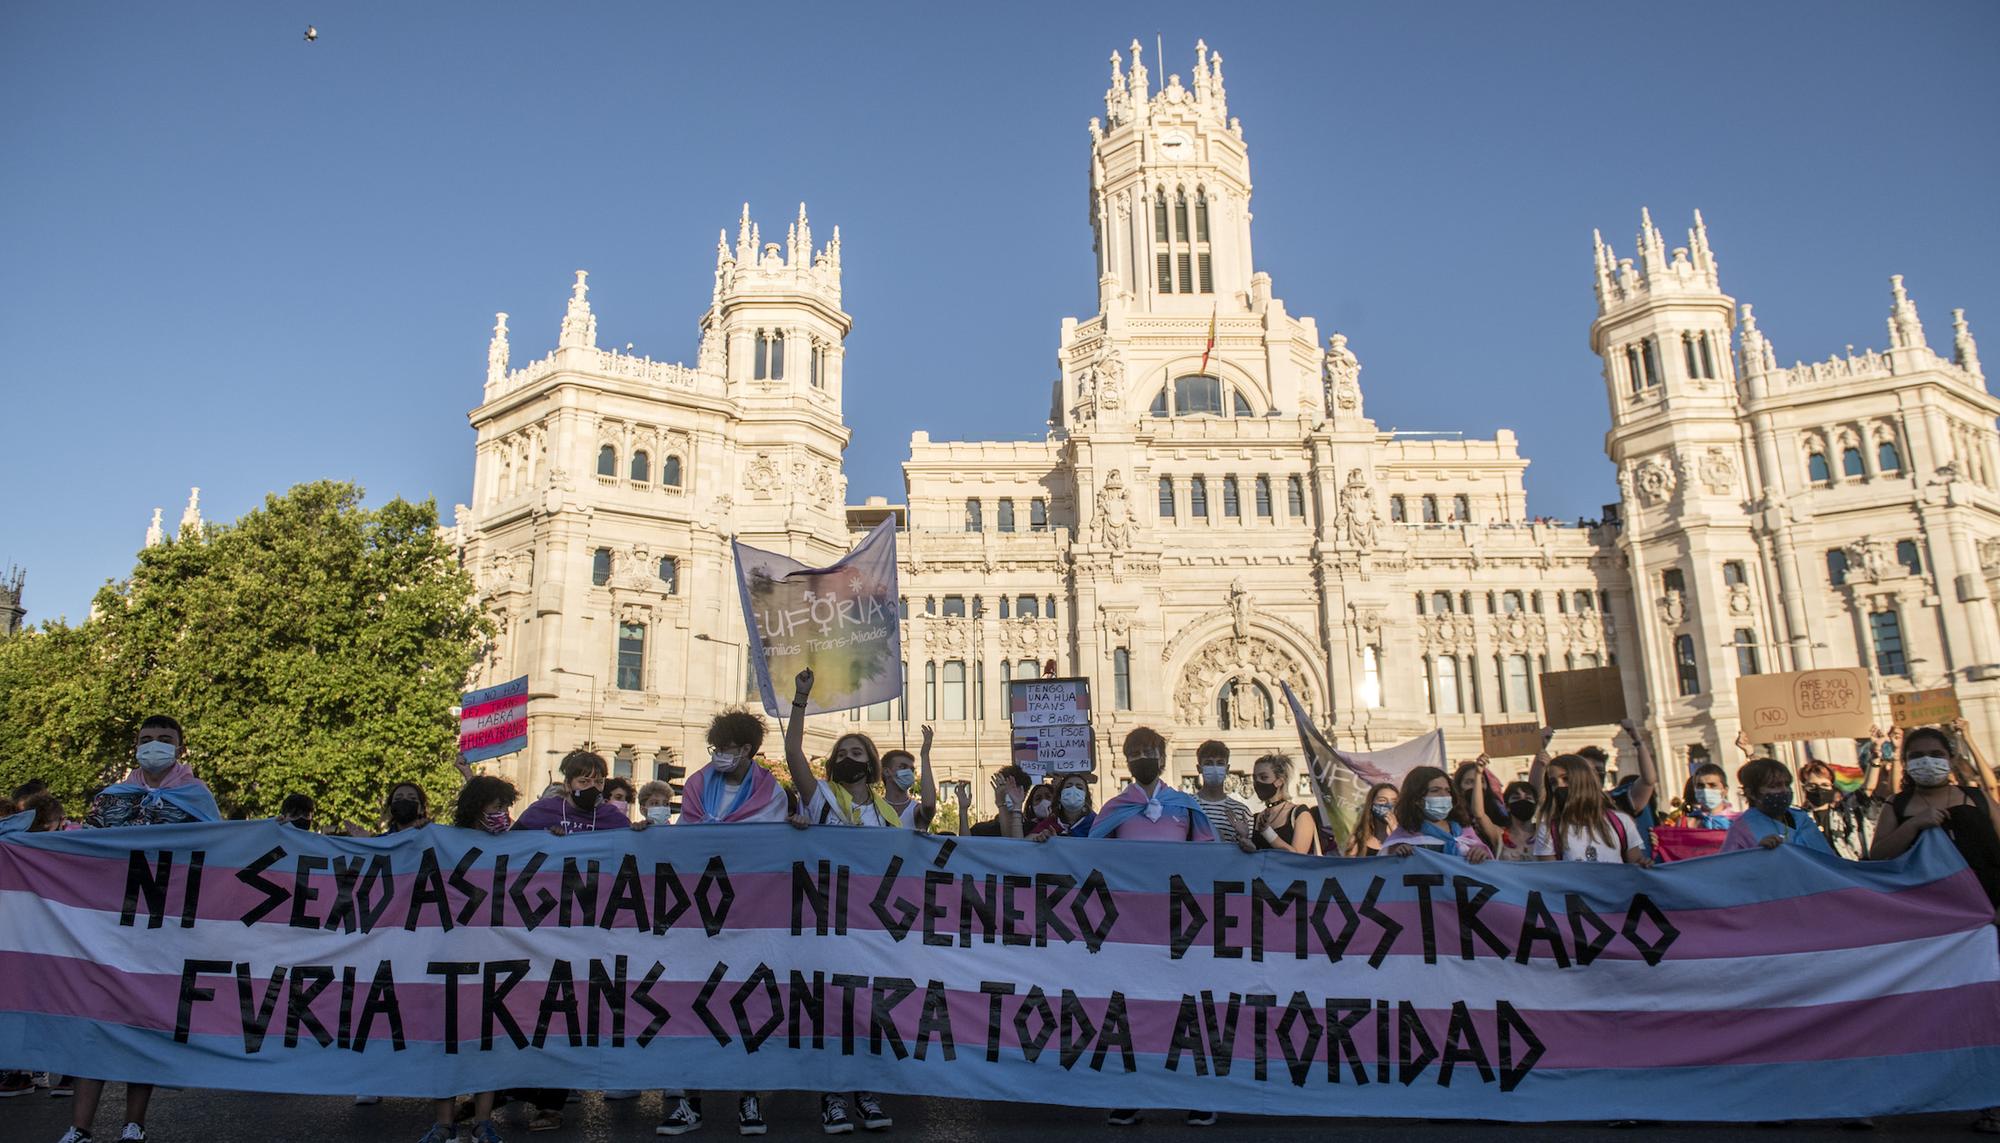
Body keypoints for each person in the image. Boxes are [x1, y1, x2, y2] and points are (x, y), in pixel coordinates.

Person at [61, 715, 220, 1143]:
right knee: (95, 1022)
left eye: (164, 740)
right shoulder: (110, 798)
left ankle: (135, 1124)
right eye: (147, 739)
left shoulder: (197, 797)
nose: (155, 745)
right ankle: (79, 1127)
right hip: (107, 924)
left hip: (161, 926)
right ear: (135, 745)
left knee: (141, 1021)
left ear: (180, 747)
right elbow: (79, 851)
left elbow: (221, 851)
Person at [649, 708, 784, 1137]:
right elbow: (686, 842)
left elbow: (772, 849)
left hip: (749, 914)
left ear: (746, 750)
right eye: (715, 749)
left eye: (725, 749)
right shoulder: (695, 786)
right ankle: (689, 1101)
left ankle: (748, 1098)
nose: (718, 756)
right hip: (698, 914)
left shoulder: (771, 793)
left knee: (747, 1003)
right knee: (692, 1001)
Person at [1868, 722, 2000, 1135]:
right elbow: (1878, 858)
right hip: (1928, 931)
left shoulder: (1976, 798)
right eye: (1918, 755)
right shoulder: (1898, 805)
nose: (1928, 762)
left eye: (1937, 755)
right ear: (1906, 763)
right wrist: (1915, 825)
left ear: (1950, 758)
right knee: (1930, 1013)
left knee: (1988, 1014)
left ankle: (1991, 1101)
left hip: (1986, 924)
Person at [785, 670, 897, 1134]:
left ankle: (864, 1090)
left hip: (873, 924)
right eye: (843, 753)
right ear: (832, 764)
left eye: (858, 753)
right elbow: (793, 755)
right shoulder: (821, 798)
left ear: (871, 765)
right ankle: (832, 1094)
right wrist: (801, 700)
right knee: (831, 1006)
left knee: (869, 1008)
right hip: (827, 919)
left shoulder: (887, 812)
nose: (850, 758)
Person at [1086, 726, 1216, 1127]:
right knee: (1132, 1013)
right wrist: (1051, 848)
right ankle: (1131, 1094)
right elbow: (1086, 858)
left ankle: (1199, 1096)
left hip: (1180, 926)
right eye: (1137, 751)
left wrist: (1243, 851)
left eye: (1151, 750)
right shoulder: (1113, 809)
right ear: (1127, 760)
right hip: (1130, 930)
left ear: (1163, 755)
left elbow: (1211, 857)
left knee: (1187, 1011)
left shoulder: (1186, 807)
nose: (1144, 756)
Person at [409, 780, 517, 1143]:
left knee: (487, 1041)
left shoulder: (514, 844)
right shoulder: (444, 840)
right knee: (447, 1042)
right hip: (450, 955)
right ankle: (443, 1123)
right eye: (494, 805)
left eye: (504, 805)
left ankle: (482, 1122)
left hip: (493, 955)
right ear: (475, 806)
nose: (500, 813)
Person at [1534, 755, 1650, 865]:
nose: (1559, 786)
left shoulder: (1621, 821)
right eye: (1553, 783)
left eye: (1566, 779)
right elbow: (1550, 877)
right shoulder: (1549, 830)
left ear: (1583, 780)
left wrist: (1644, 864)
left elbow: (1635, 866)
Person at [1720, 757, 1834, 854]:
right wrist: (1758, 853)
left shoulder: (1801, 819)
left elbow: (1828, 862)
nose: (1784, 790)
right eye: (1774, 786)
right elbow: (1731, 870)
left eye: (1787, 785)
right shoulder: (1742, 829)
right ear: (1752, 793)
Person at [1381, 766, 1493, 862]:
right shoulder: (1404, 836)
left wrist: (1481, 854)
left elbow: (1488, 869)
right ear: (1416, 799)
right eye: (1435, 790)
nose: (1444, 795)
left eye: (1447, 790)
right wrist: (1397, 854)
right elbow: (1387, 871)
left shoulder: (1465, 830)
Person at [514, 750, 631, 835]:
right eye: (583, 781)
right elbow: (511, 843)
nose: (592, 787)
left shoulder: (612, 817)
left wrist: (641, 830)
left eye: (599, 782)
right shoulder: (541, 811)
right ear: (567, 785)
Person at [1800, 758, 1873, 860]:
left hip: (1848, 870)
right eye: (1812, 786)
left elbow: (1866, 790)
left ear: (1832, 787)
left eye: (1824, 785)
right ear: (1804, 788)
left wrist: (1875, 760)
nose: (1819, 789)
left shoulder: (1845, 814)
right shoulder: (1797, 819)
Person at [1249, 753, 1319, 853]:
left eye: (1264, 777)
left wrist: (1267, 832)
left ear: (1280, 781)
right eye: (1255, 778)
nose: (1258, 782)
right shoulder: (1256, 818)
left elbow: (1298, 858)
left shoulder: (1299, 814)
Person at [1192, 739, 1254, 847]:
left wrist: (1244, 838)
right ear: (1199, 768)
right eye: (1208, 763)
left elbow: (1248, 852)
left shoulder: (1242, 811)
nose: (1215, 768)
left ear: (1227, 768)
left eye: (1220, 763)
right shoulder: (1188, 805)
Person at [879, 725, 939, 831]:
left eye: (911, 769)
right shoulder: (874, 809)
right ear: (887, 771)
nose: (908, 772)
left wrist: (925, 755)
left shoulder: (915, 810)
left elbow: (929, 805)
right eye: (903, 767)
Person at [1450, 760, 1507, 852]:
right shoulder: (1452, 819)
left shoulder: (1498, 812)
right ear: (1458, 787)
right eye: (1469, 782)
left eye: (1481, 781)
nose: (1477, 787)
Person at [965, 765, 1032, 838]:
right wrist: (963, 811)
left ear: (1024, 794)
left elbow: (1013, 845)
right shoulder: (981, 830)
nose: (1009, 794)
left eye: (1013, 789)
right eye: (1004, 789)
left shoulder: (1033, 829)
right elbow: (964, 845)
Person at [1028, 772, 1096, 840]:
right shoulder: (1051, 822)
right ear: (1059, 796)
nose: (1073, 790)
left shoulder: (1095, 822)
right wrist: (1041, 837)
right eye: (1068, 787)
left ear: (1086, 797)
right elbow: (1026, 841)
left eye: (1079, 788)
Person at [1346, 781, 1399, 857]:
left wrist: (1396, 832)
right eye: (1382, 800)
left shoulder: (1407, 836)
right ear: (1371, 804)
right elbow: (1349, 866)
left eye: (1394, 801)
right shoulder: (1358, 840)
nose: (1388, 805)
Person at [1495, 780, 1539, 861]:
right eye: (1516, 798)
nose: (1522, 801)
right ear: (1507, 807)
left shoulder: (1545, 834)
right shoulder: (1498, 835)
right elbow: (1479, 815)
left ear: (1535, 806)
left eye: (1528, 798)